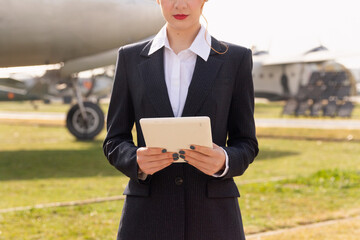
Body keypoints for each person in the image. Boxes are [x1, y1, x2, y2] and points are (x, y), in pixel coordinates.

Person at [103, 0, 259, 239]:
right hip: (147, 218)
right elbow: (114, 140)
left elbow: (246, 143)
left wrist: (224, 161)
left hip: (213, 218)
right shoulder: (130, 58)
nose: (180, 5)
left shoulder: (235, 59)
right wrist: (135, 160)